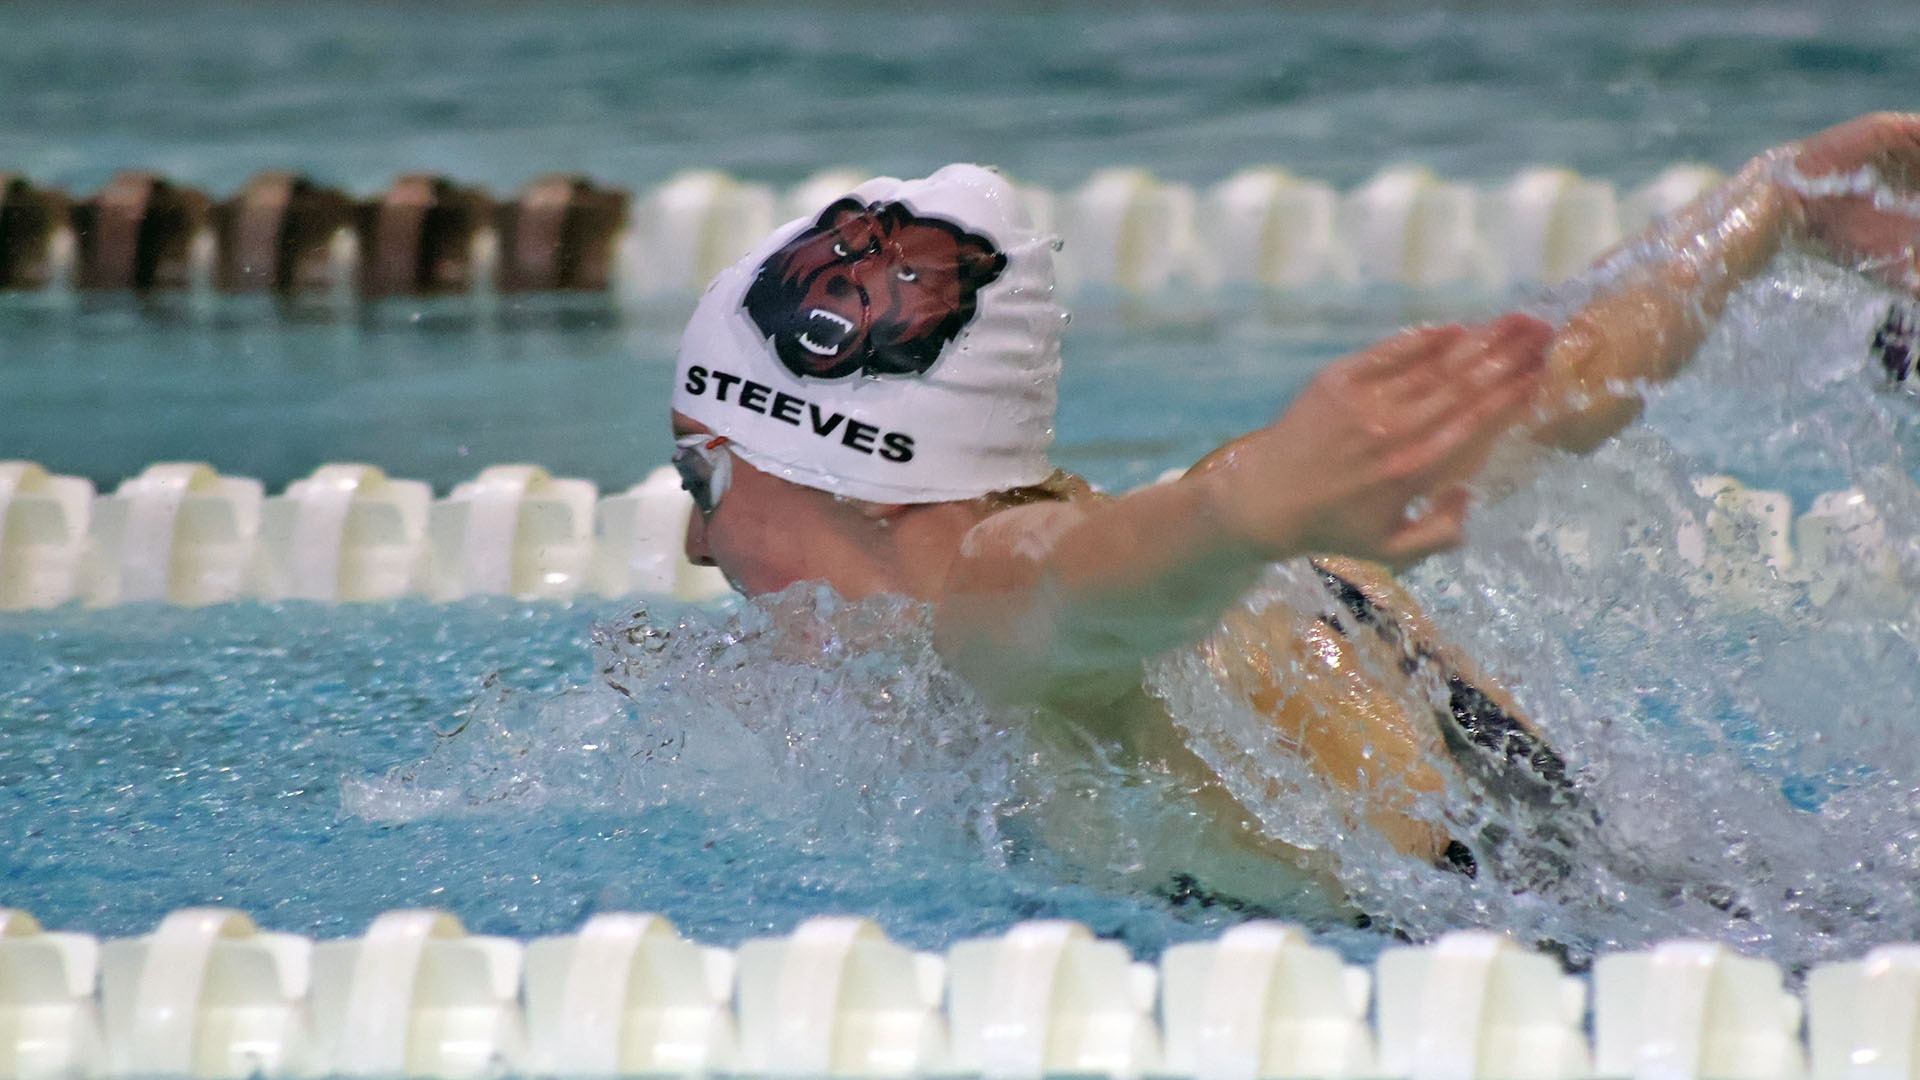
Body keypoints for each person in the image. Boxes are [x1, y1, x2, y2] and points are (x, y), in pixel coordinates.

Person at [666, 113, 1920, 900]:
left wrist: (1242, 514)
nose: (693, 539)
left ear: (850, 474)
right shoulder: (1281, 492)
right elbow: (1571, 377)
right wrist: (1779, 205)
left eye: (699, 478)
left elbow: (1063, 591)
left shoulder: (1002, 610)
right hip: (1710, 912)